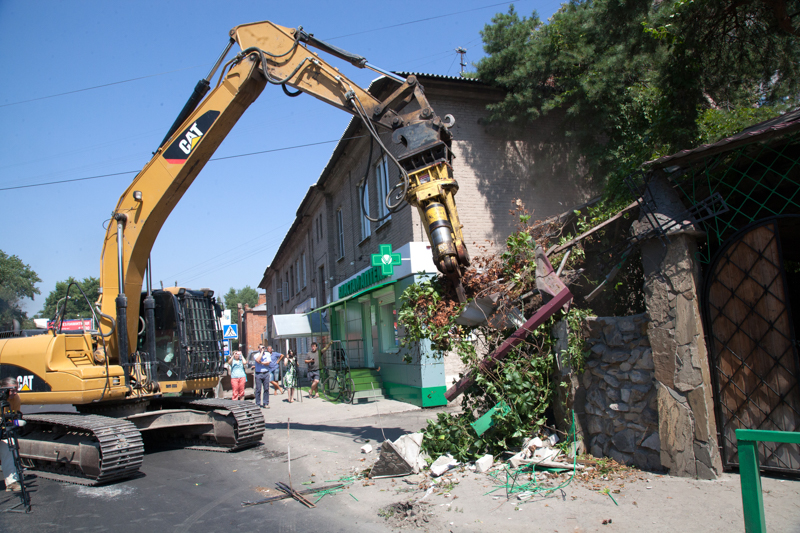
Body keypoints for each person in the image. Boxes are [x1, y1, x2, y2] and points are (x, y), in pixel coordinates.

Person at [0, 377, 22, 492]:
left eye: (16, 390)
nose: (15, 393)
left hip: (2, 429)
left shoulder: (16, 399)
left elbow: (14, 415)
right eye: (12, 390)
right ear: (3, 389)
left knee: (9, 445)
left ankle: (11, 482)